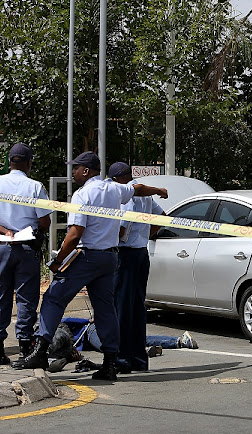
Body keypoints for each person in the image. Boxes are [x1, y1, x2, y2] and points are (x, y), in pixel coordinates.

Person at [17, 152, 168, 381]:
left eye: (76, 168)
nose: (73, 172)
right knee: (106, 309)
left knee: (54, 297)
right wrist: (158, 191)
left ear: (86, 171)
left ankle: (40, 350)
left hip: (87, 256)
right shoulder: (115, 190)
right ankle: (109, 363)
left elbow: (75, 234)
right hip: (110, 258)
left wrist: (58, 261)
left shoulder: (82, 195)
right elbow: (137, 189)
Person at [0, 144, 52, 366]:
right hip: (27, 248)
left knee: (0, 295)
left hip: (2, 247)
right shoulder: (35, 187)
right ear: (29, 163)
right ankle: (25, 347)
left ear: (9, 162)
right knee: (27, 298)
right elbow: (44, 221)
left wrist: (4, 230)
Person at [109, 161, 165, 373]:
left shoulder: (128, 198)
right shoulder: (146, 195)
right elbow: (162, 217)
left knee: (121, 308)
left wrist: (117, 238)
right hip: (141, 253)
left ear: (117, 180)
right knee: (136, 308)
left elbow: (123, 229)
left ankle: (122, 358)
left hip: (126, 254)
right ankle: (139, 358)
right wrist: (145, 236)